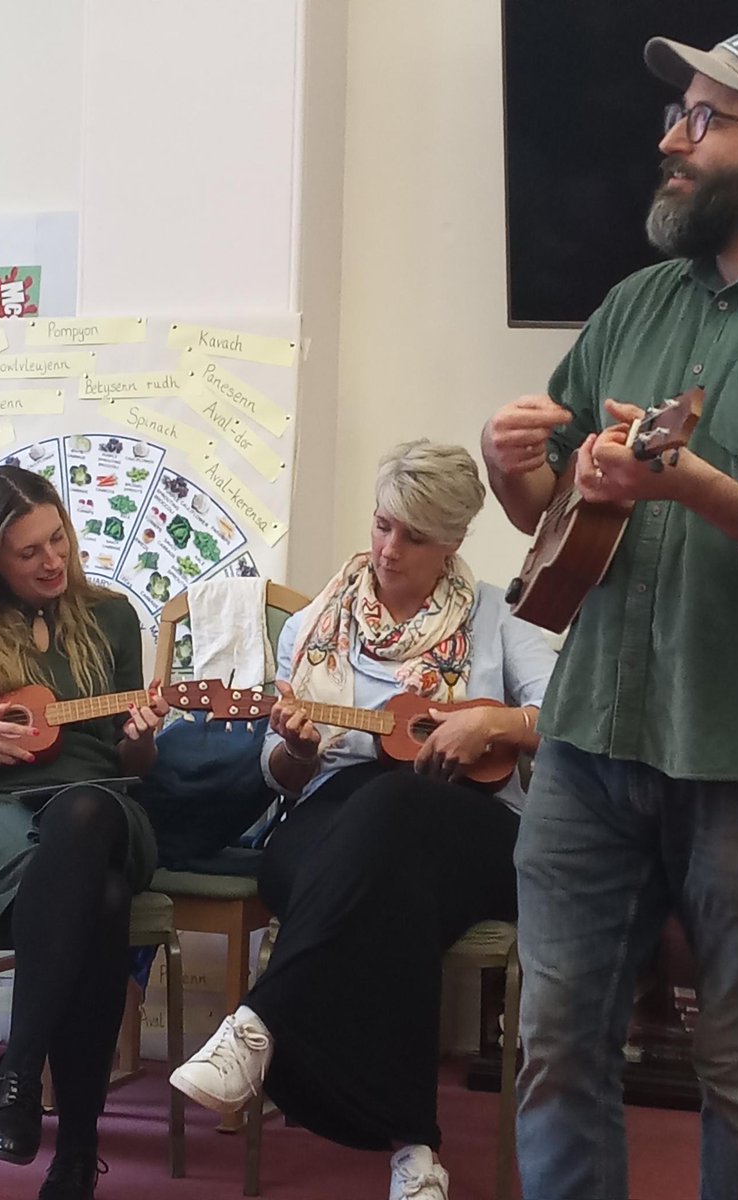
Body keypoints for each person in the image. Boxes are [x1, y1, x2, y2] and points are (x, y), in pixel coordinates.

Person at [482, 23, 738, 1200]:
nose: (668, 139)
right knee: (557, 1044)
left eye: (702, 119)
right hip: (589, 741)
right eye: (676, 113)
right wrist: (507, 459)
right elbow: (554, 518)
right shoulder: (632, 303)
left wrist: (703, 487)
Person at [169, 439, 555, 1200]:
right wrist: (300, 754)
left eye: (414, 535)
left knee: (397, 806)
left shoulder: (498, 612)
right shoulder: (315, 624)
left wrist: (496, 727)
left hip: (472, 825)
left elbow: (568, 716)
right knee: (389, 870)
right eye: (383, 525)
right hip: (327, 822)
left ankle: (258, 1024)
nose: (388, 548)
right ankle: (413, 1151)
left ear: (453, 541)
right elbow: (275, 776)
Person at [0, 465, 166, 1200]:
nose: (53, 560)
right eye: (30, 552)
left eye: (58, 537)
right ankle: (75, 1151)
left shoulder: (114, 617)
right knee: (100, 897)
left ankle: (19, 1071)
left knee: (83, 815)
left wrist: (143, 736)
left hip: (99, 800)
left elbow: (135, 764)